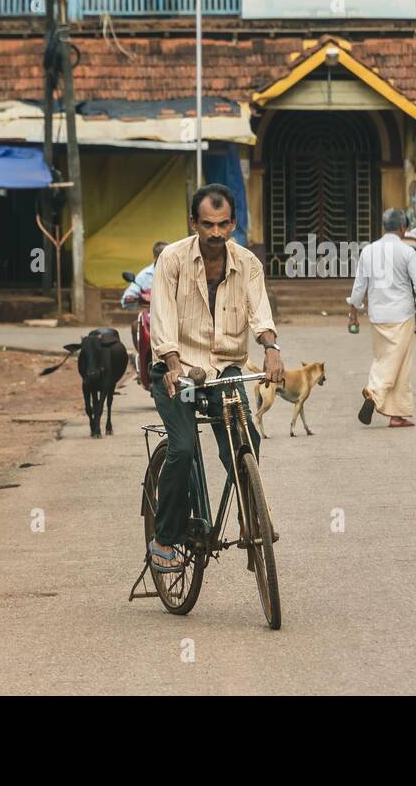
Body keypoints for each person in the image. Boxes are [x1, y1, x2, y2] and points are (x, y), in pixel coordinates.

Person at [146, 185, 284, 574]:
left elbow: (261, 315)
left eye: (224, 225)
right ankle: (164, 539)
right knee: (184, 447)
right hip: (178, 371)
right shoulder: (171, 260)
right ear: (193, 223)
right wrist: (172, 362)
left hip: (224, 371)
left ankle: (249, 515)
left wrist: (272, 349)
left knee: (247, 439)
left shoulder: (247, 264)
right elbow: (162, 318)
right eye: (207, 224)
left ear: (234, 224)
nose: (216, 233)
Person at [348, 208, 416, 428]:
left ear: (383, 226)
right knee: (400, 363)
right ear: (403, 227)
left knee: (384, 357)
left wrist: (353, 314)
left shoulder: (368, 251)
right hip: (401, 314)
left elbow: (359, 288)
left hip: (377, 315)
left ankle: (397, 414)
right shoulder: (407, 252)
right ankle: (373, 392)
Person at [122, 240, 168, 307]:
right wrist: (130, 297)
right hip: (151, 313)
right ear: (155, 257)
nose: (167, 260)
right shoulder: (145, 275)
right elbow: (129, 295)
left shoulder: (178, 272)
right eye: (163, 257)